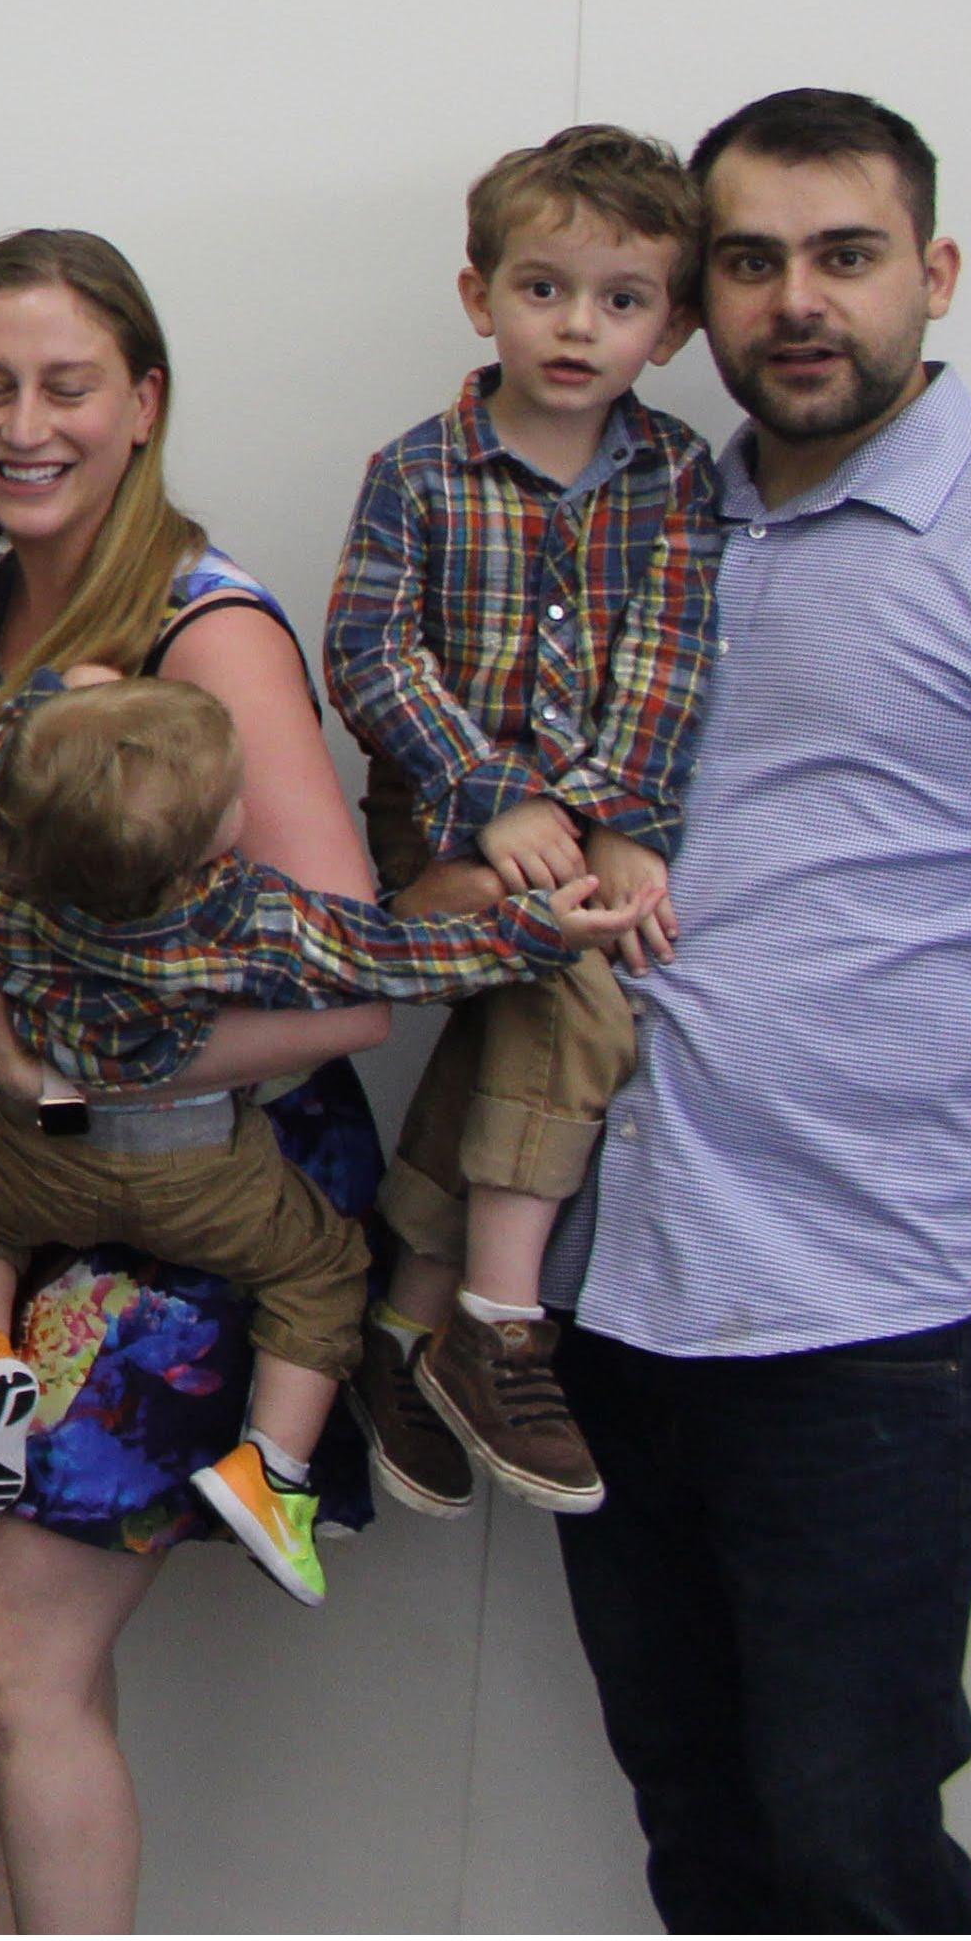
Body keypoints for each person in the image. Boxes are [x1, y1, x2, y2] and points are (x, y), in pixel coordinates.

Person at [549, 88, 971, 1933]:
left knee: (854, 1855)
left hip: (864, 1323)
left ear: (933, 271)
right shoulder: (643, 520)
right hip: (611, 1297)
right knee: (693, 1835)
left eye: (843, 255)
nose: (795, 301)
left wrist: (970, 1086)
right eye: (750, 260)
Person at [0, 228, 397, 1936]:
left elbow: (347, 986)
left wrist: (59, 1075)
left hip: (197, 1192)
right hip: (41, 1181)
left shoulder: (199, 624)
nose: (22, 425)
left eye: (65, 385)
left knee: (10, 1656)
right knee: (3, 1665)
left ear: (143, 401)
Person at [0, 673, 608, 1602]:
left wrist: (49, 695)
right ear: (207, 844)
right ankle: (271, 1471)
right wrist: (536, 933)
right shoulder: (235, 915)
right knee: (321, 1272)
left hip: (48, 1139)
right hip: (200, 1170)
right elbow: (384, 957)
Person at [323, 124, 716, 1523]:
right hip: (435, 826)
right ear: (477, 295)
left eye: (621, 298)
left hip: (588, 821)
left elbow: (670, 657)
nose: (576, 325)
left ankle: (404, 1322)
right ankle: (497, 1322)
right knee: (573, 986)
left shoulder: (677, 475)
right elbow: (368, 652)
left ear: (671, 327)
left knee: (537, 997)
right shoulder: (418, 468)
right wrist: (494, 798)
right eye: (542, 287)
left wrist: (619, 819)